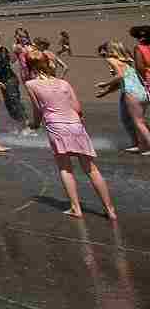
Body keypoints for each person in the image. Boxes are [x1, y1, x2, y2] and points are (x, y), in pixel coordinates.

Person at [24, 52, 117, 220]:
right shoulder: (64, 83)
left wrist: (35, 124)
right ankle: (110, 210)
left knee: (65, 168)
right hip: (75, 124)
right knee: (91, 169)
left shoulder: (31, 84)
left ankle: (76, 208)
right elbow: (78, 108)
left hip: (56, 127)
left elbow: (38, 109)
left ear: (29, 67)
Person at [95, 41, 150, 154]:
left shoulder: (111, 60)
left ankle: (146, 145)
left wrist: (105, 84)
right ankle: (142, 146)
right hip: (142, 92)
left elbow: (120, 76)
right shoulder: (127, 61)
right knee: (138, 121)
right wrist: (106, 91)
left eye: (103, 52)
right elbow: (125, 79)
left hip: (132, 93)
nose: (102, 55)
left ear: (110, 51)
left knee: (138, 122)